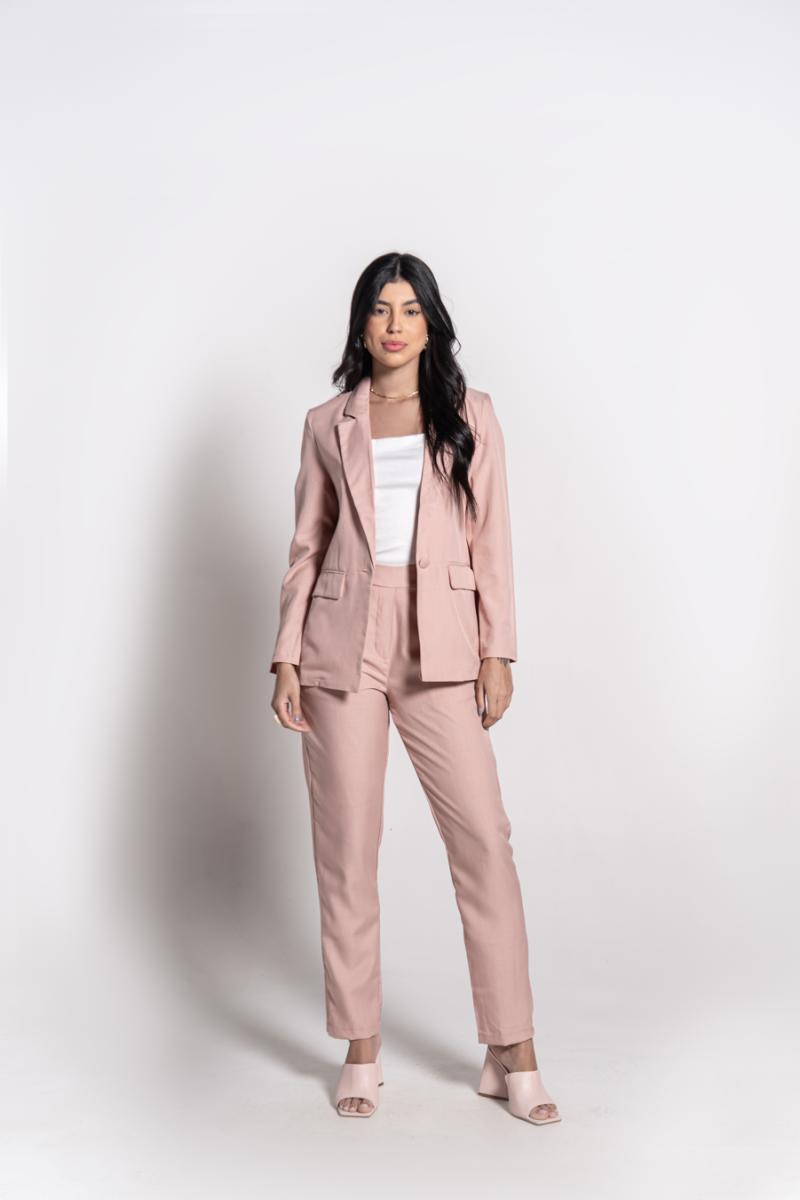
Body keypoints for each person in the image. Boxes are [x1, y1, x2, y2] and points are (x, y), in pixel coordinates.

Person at [270, 251, 560, 1125]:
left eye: (409, 309)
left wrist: (498, 649)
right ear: (361, 325)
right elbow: (307, 544)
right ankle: (360, 1047)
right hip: (340, 640)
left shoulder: (470, 414)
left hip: (442, 639)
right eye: (379, 309)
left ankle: (512, 1048)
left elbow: (492, 537)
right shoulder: (327, 422)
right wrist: (285, 656)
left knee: (484, 840)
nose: (394, 324)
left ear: (431, 323)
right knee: (347, 847)